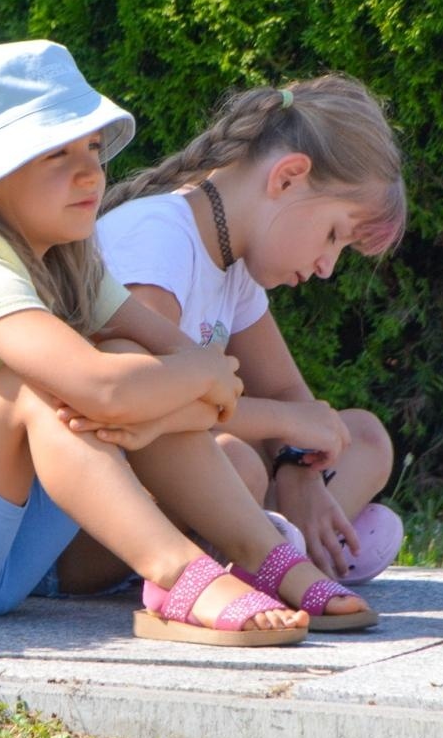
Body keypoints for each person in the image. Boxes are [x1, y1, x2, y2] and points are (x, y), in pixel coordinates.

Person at [0, 41, 376, 644]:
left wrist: (160, 404)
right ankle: (176, 572)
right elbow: (117, 386)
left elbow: (179, 365)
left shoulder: (72, 261)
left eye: (91, 147)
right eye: (55, 154)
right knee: (39, 387)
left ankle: (265, 556)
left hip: (3, 557)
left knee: (125, 364)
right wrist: (180, 388)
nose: (90, 171)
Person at [84, 74, 407, 587]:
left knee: (363, 435)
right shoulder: (158, 239)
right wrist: (287, 428)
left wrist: (298, 468)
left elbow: (289, 396)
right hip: (98, 523)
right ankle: (276, 550)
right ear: (287, 178)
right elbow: (146, 405)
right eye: (332, 236)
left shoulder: (234, 267)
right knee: (239, 460)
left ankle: (289, 540)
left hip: (185, 481)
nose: (327, 267)